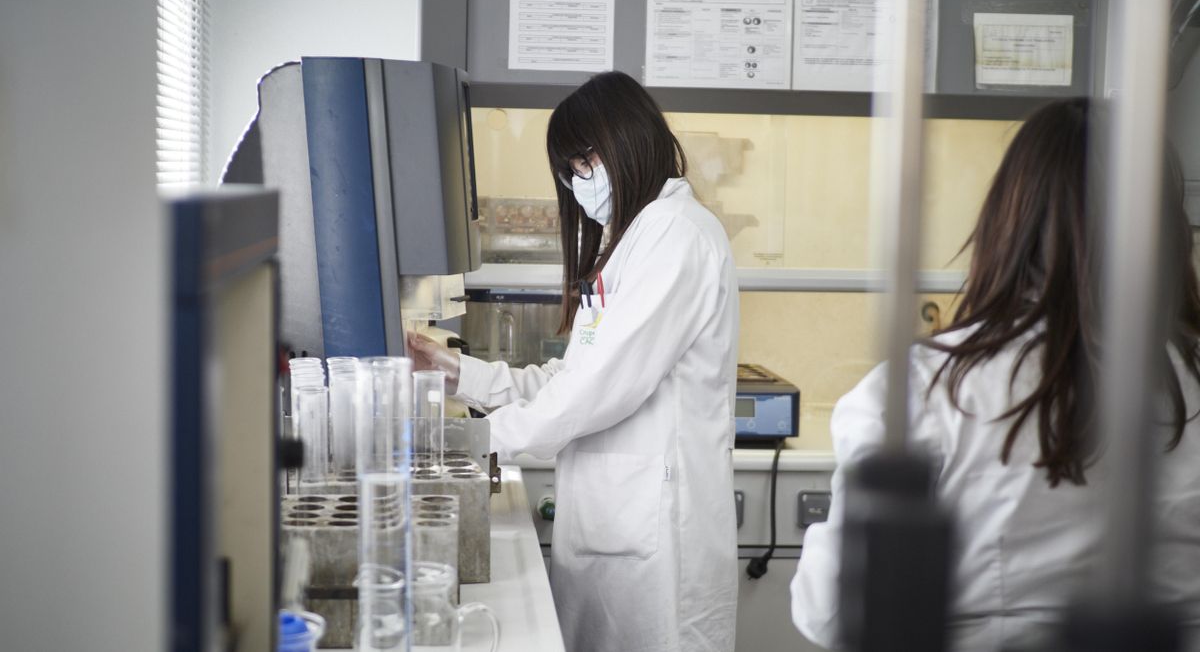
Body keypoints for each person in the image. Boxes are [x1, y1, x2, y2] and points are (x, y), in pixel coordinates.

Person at [790, 98, 1200, 651]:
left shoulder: (926, 389)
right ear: (1168, 231)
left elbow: (832, 612)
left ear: (1008, 222)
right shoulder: (1187, 377)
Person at [409, 71, 740, 652]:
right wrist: (458, 373)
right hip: (618, 528)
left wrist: (466, 448)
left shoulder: (676, 235)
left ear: (630, 139)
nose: (578, 180)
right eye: (569, 170)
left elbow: (593, 393)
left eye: (585, 160)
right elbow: (573, 376)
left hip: (659, 545)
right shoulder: (635, 236)